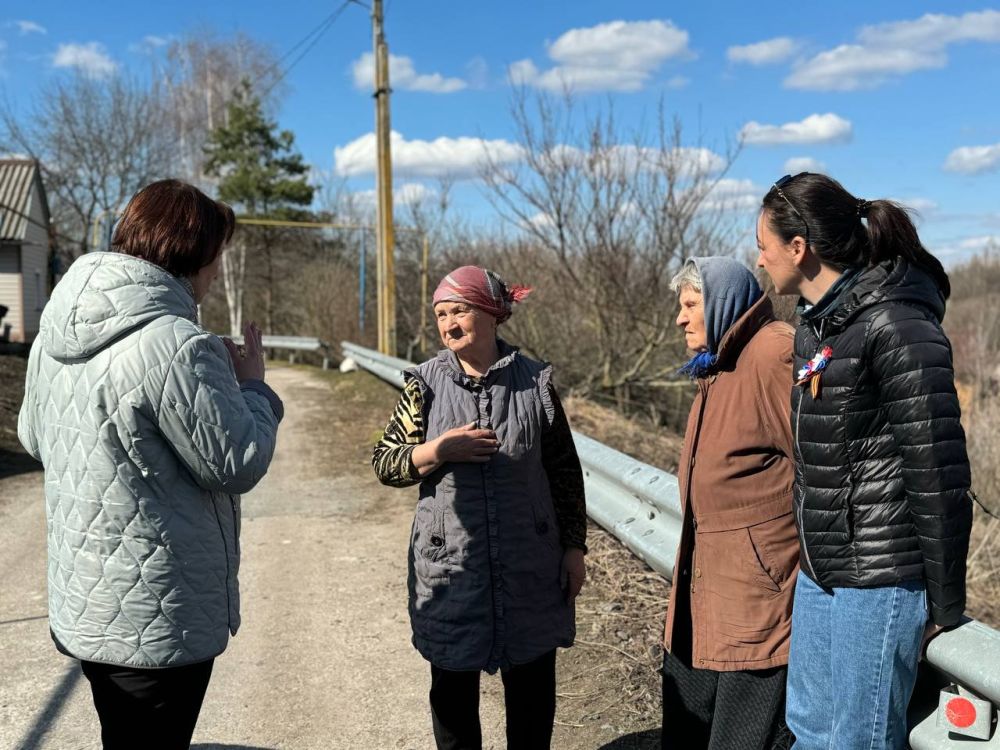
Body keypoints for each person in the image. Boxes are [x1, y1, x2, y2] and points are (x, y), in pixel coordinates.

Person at [18, 179, 284, 749]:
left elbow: (33, 438)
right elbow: (236, 461)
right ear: (192, 254)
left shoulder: (51, 333)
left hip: (87, 604)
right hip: (158, 614)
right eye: (216, 258)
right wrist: (255, 390)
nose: (216, 274)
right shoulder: (177, 343)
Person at [756, 173, 973, 750]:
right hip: (822, 573)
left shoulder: (895, 322)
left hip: (879, 582)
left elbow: (939, 474)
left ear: (798, 248)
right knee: (809, 733)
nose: (759, 260)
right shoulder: (815, 326)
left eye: (764, 245)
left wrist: (945, 605)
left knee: (859, 741)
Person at [372, 265, 587, 750]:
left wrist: (574, 548)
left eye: (459, 311)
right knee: (452, 704)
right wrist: (437, 452)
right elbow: (385, 464)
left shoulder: (536, 384)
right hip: (451, 571)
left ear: (491, 314)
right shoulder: (422, 386)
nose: (448, 324)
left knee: (532, 702)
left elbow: (565, 473)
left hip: (529, 566)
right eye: (440, 314)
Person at [661, 257, 798, 750]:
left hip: (755, 607)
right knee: (685, 733)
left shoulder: (771, 354)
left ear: (722, 305)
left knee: (737, 743)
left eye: (691, 305)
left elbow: (820, 471)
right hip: (702, 593)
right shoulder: (719, 362)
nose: (680, 317)